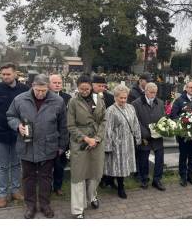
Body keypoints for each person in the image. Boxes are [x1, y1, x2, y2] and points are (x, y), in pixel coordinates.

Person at [7, 74, 68, 218]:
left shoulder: (58, 101)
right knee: (28, 177)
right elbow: (10, 116)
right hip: (27, 146)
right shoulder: (20, 99)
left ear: (48, 87)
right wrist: (17, 126)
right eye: (37, 90)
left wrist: (61, 146)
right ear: (32, 86)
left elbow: (63, 126)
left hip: (49, 146)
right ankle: (30, 206)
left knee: (46, 177)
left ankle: (45, 204)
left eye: (43, 90)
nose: (40, 93)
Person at [67, 75, 106, 218]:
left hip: (97, 141)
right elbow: (70, 125)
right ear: (77, 87)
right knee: (78, 175)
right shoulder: (73, 102)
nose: (84, 91)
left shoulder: (99, 99)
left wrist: (97, 138)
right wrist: (85, 139)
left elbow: (104, 120)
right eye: (81, 88)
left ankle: (92, 197)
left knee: (95, 172)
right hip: (80, 143)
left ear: (91, 87)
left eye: (87, 89)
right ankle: (78, 209)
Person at [0, 63, 29, 208]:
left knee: (16, 164)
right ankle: (2, 195)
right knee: (2, 166)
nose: (5, 77)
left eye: (8, 74)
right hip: (0, 133)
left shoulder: (24, 90)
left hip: (18, 133)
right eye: (3, 74)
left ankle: (15, 190)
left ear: (15, 74)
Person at [104, 85, 141, 199]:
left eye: (125, 98)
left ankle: (110, 181)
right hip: (117, 143)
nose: (123, 100)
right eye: (121, 98)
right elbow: (107, 129)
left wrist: (138, 137)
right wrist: (108, 146)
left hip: (128, 141)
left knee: (125, 165)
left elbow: (135, 123)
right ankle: (120, 187)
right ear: (115, 97)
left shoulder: (131, 107)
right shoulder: (110, 110)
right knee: (118, 166)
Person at [170, 81, 192, 186]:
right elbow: (173, 115)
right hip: (183, 134)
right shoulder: (179, 100)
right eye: (190, 87)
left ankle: (191, 175)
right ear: (186, 88)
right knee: (183, 155)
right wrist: (184, 122)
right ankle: (183, 176)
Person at [132, 82, 166, 191]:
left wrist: (162, 128)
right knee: (143, 158)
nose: (153, 95)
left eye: (155, 93)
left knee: (160, 158)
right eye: (151, 92)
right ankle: (144, 179)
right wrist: (146, 133)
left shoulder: (160, 103)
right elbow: (135, 121)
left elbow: (163, 118)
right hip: (144, 136)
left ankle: (157, 180)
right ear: (145, 91)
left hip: (158, 136)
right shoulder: (136, 103)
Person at [48, 74, 72, 196]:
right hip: (48, 136)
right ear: (49, 84)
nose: (57, 85)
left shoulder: (67, 98)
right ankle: (47, 186)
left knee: (60, 164)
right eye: (54, 82)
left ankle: (58, 186)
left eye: (59, 83)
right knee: (47, 165)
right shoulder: (44, 97)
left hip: (63, 136)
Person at [128, 73, 152, 181]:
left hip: (147, 125)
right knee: (137, 150)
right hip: (137, 124)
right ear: (141, 81)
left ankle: (142, 172)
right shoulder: (133, 93)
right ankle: (136, 172)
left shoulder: (149, 91)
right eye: (147, 81)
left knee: (144, 151)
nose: (149, 83)